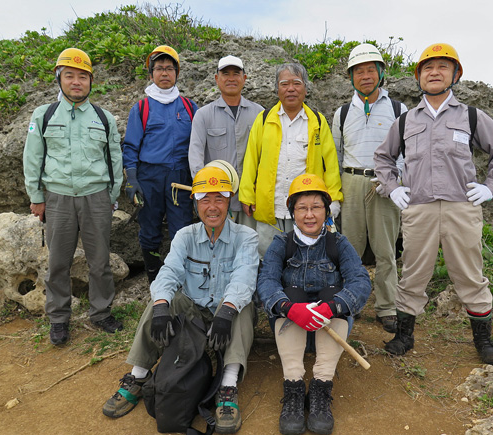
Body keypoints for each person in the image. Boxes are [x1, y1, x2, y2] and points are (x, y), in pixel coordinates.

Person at [374, 43, 493, 365]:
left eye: (442, 66)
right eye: (427, 67)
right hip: (419, 209)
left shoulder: (470, 116)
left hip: (461, 208)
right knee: (412, 274)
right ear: (418, 77)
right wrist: (393, 187)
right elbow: (383, 157)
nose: (434, 72)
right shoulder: (406, 120)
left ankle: (484, 342)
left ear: (455, 74)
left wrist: (491, 187)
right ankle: (404, 337)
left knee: (470, 275)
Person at [103, 166, 258, 434]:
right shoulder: (185, 237)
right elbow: (169, 272)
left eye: (219, 199)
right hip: (194, 312)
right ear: (195, 202)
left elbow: (244, 279)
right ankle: (139, 375)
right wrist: (162, 307)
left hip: (226, 316)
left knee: (242, 307)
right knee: (161, 301)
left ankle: (227, 386)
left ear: (229, 200)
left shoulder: (246, 237)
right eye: (204, 199)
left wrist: (227, 312)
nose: (212, 207)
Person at [22, 48, 124, 345]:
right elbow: (32, 158)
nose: (76, 82)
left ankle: (101, 313)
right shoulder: (43, 115)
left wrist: (111, 195)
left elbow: (114, 159)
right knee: (58, 263)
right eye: (70, 75)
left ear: (91, 81)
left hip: (96, 198)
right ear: (59, 78)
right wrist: (36, 196)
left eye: (83, 76)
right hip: (58, 199)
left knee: (100, 262)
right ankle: (58, 318)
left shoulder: (104, 118)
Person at [257, 174, 371, 435]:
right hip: (291, 327)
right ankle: (294, 388)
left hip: (329, 326)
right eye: (302, 208)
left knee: (335, 295)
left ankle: (321, 387)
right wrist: (289, 308)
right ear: (292, 213)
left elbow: (360, 282)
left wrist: (331, 307)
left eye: (316, 207)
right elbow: (266, 282)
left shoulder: (338, 243)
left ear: (326, 211)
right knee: (291, 295)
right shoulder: (280, 244)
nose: (309, 215)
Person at [332, 43, 407, 333]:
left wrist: (395, 181)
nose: (365, 76)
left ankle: (387, 307)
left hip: (385, 183)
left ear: (381, 73)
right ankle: (350, 302)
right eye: (359, 71)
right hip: (350, 182)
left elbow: (405, 151)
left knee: (386, 250)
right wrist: (335, 195)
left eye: (370, 70)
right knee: (349, 249)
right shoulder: (341, 113)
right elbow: (336, 156)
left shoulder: (398, 109)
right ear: (351, 76)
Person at [239, 63, 343, 258]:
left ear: (305, 88)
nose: (291, 89)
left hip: (306, 208)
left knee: (305, 257)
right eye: (284, 83)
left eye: (296, 83)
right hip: (270, 205)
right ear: (277, 89)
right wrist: (246, 195)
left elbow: (330, 164)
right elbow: (251, 159)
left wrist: (334, 198)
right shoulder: (263, 120)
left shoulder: (318, 122)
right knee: (267, 256)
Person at [122, 45, 198, 284]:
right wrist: (132, 179)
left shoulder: (188, 106)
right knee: (150, 230)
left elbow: (199, 144)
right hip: (149, 177)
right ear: (151, 73)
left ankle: (180, 279)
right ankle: (154, 279)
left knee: (182, 230)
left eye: (169, 68)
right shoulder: (142, 108)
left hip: (180, 178)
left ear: (177, 73)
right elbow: (131, 146)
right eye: (159, 69)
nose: (164, 73)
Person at [188, 55, 263, 229]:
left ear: (244, 78)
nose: (231, 78)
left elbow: (266, 158)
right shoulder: (203, 115)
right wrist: (207, 196)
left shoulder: (259, 113)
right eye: (225, 73)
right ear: (217, 79)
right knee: (217, 249)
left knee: (250, 246)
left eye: (236, 73)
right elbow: (195, 158)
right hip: (217, 200)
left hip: (250, 199)